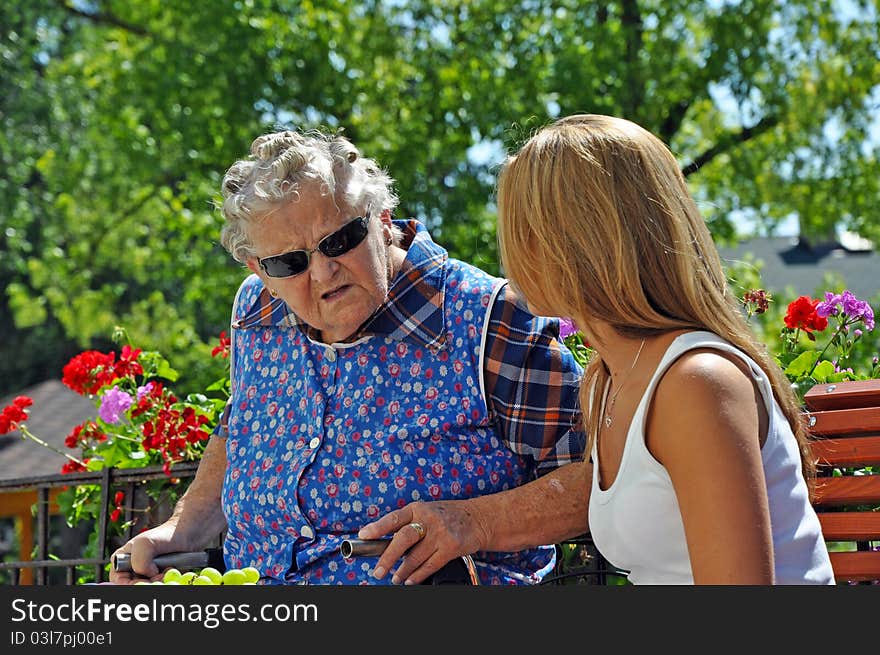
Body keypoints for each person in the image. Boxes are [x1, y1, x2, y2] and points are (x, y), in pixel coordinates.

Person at [109, 127, 587, 585]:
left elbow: (598, 478)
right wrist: (178, 530)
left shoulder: (487, 318)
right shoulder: (258, 308)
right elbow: (242, 428)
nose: (322, 272)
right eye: (289, 263)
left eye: (338, 240)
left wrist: (474, 522)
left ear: (380, 220)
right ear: (261, 270)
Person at [481, 113, 834, 584]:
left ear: (580, 241)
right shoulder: (607, 380)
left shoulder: (697, 383)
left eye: (524, 227)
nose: (511, 249)